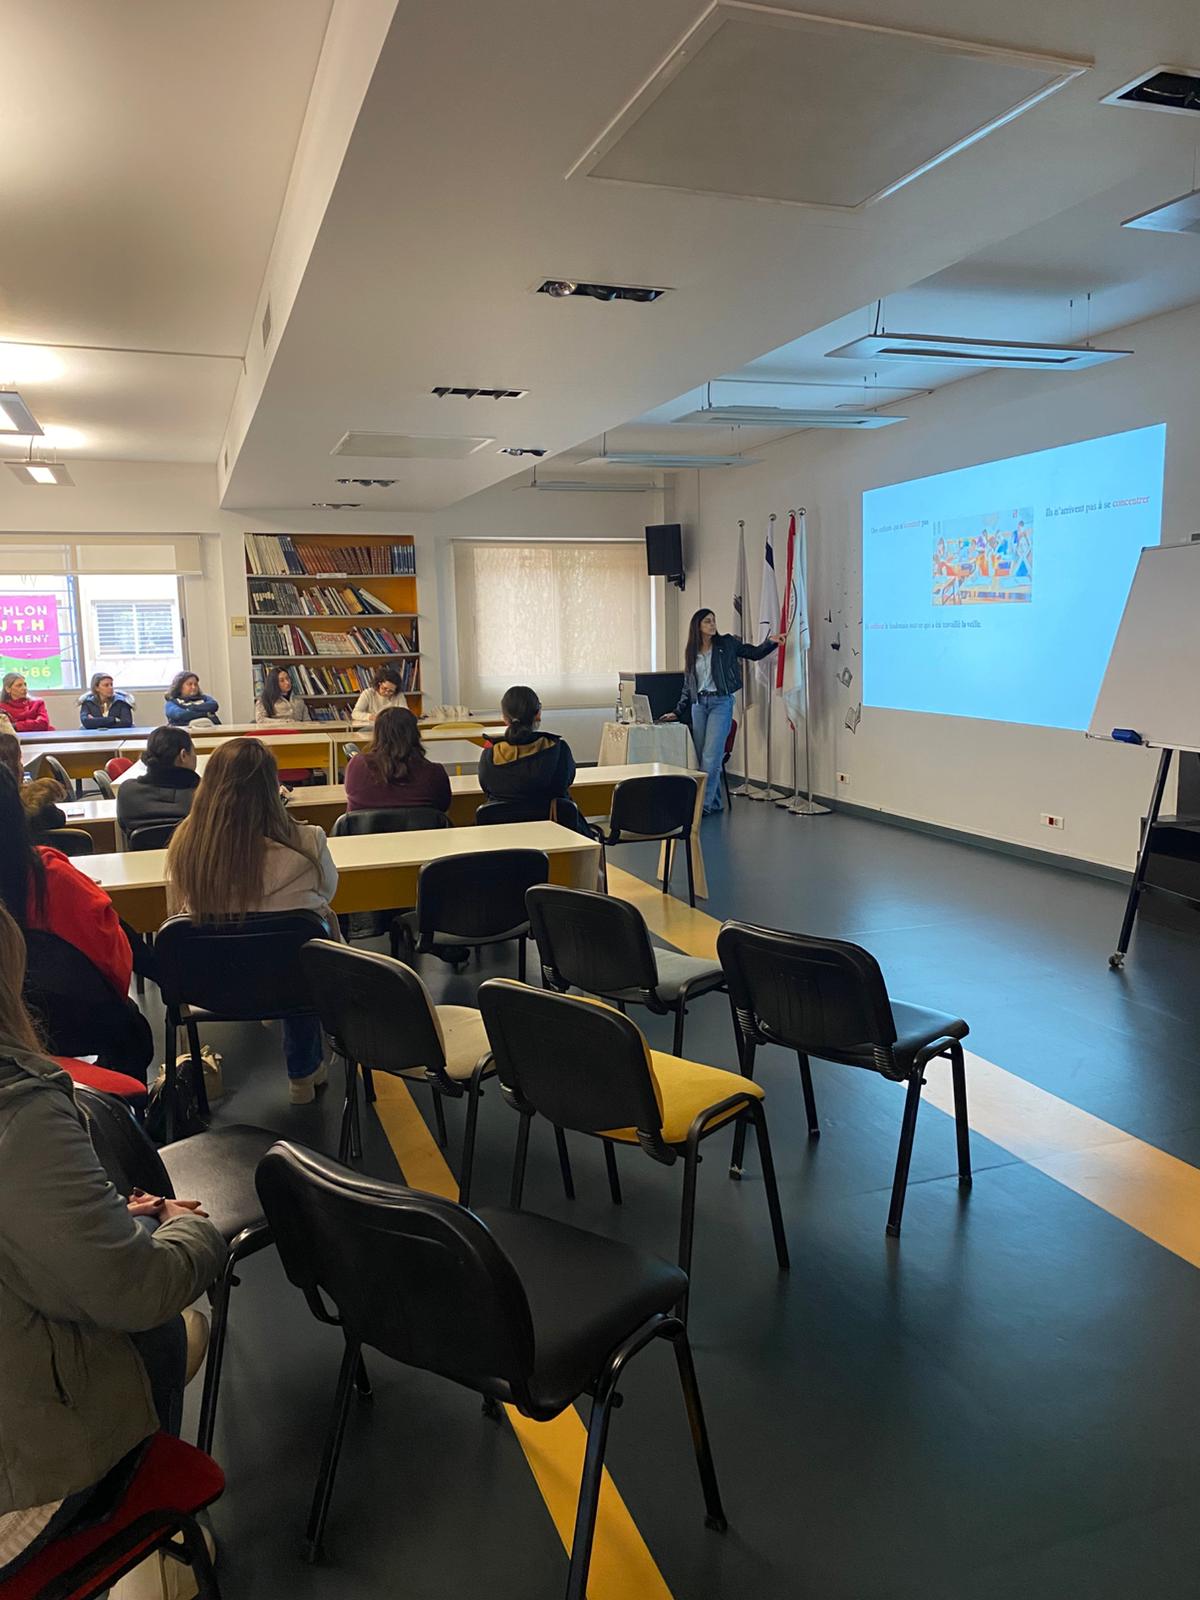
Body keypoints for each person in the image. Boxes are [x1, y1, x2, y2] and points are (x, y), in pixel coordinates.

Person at [0, 904, 226, 1584]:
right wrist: (191, 1228)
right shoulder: (20, 1115)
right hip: (25, 1486)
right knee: (162, 1325)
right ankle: (151, 1543)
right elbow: (132, 1291)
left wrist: (96, 1221)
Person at [165, 738, 337, 1104]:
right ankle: (303, 1074)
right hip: (295, 982)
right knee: (304, 947)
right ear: (273, 788)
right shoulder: (309, 841)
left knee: (291, 948)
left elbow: (177, 908)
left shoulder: (187, 845)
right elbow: (328, 890)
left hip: (212, 983)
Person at [0, 767, 152, 1075]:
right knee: (134, 1033)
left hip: (9, 1038)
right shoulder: (51, 878)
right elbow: (113, 955)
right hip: (70, 1024)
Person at [662, 609, 782, 815]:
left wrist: (770, 642)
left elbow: (753, 653)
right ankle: (715, 802)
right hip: (699, 705)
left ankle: (702, 806)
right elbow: (688, 685)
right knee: (702, 757)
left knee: (711, 756)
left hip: (721, 703)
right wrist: (677, 711)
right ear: (698, 626)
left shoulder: (726, 643)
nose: (712, 624)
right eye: (707, 621)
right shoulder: (692, 650)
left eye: (713, 620)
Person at [478, 685, 576, 809]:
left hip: (503, 821)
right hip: (553, 819)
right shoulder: (560, 750)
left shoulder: (489, 756)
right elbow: (567, 781)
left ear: (504, 718)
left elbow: (486, 787)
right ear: (538, 714)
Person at [344, 706, 451, 814]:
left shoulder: (358, 766)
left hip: (368, 825)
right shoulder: (435, 773)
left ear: (377, 734)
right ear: (415, 734)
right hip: (419, 825)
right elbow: (443, 806)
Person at [116, 724, 200, 842]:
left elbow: (123, 826)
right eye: (194, 752)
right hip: (191, 853)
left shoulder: (127, 792)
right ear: (183, 755)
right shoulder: (204, 795)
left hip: (142, 854)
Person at [0, 731, 67, 840]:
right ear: (13, 769)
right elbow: (58, 818)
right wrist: (34, 795)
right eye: (19, 761)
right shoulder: (35, 811)